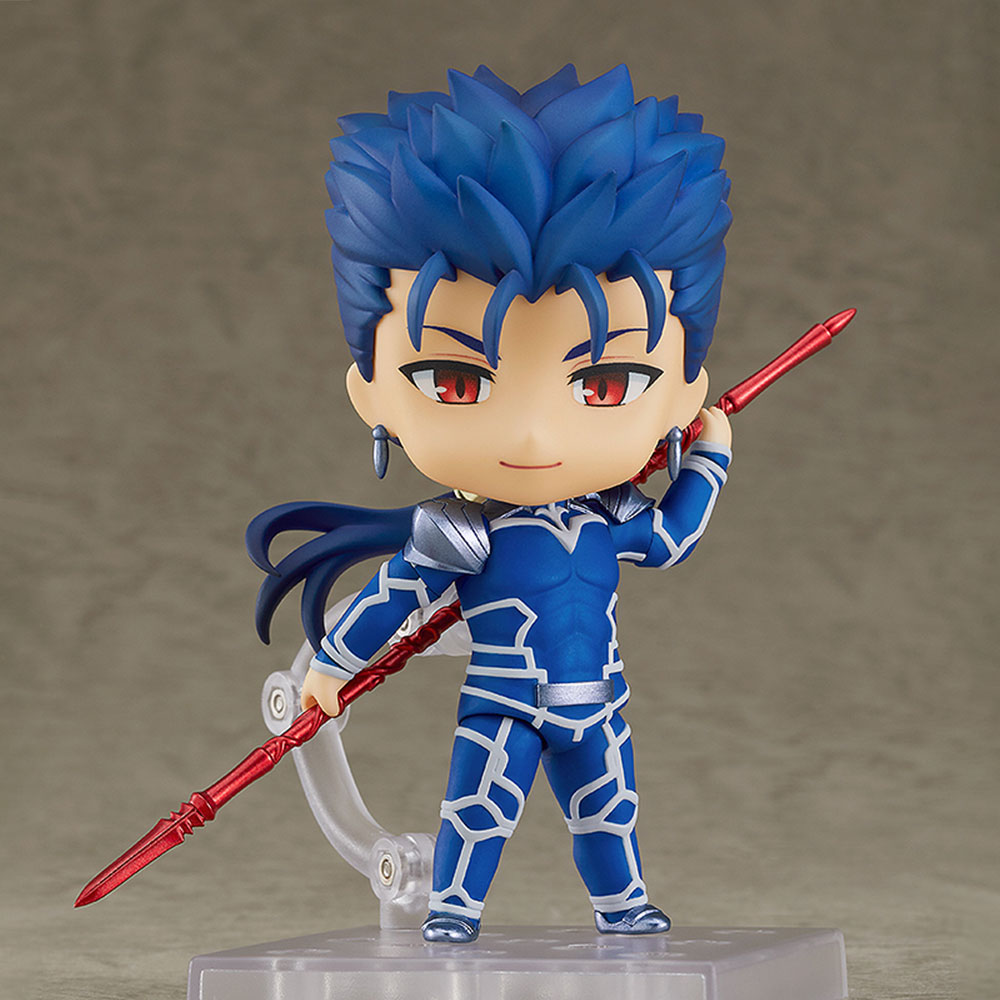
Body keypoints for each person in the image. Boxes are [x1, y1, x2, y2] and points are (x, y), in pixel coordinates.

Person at [248, 64, 733, 943]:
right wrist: (328, 671)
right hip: (503, 703)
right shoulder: (461, 528)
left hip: (598, 700)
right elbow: (393, 597)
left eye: (606, 383)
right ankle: (453, 908)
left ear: (682, 390)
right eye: (456, 381)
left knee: (609, 811)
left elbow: (671, 539)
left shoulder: (611, 514)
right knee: (477, 814)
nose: (536, 434)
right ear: (370, 393)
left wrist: (710, 459)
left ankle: (622, 902)